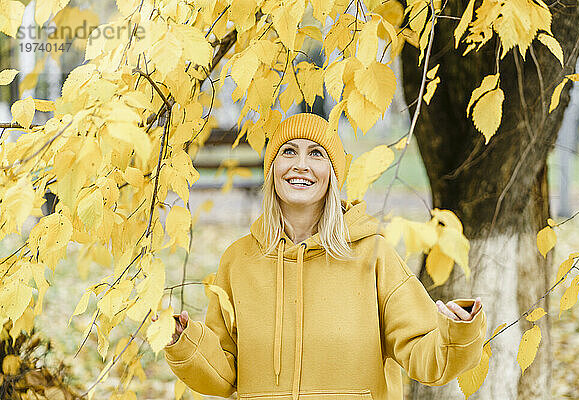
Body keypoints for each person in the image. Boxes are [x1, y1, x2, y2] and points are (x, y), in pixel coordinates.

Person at [160, 113, 486, 400]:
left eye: (316, 154)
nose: (301, 164)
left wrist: (458, 330)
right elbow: (223, 375)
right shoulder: (238, 260)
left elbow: (425, 358)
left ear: (332, 174)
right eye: (289, 151)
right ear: (273, 168)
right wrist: (184, 340)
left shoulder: (374, 255)